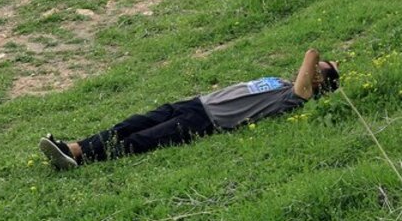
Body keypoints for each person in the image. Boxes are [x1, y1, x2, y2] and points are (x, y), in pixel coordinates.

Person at [39, 48, 340, 170]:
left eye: (318, 70)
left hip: (207, 121)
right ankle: (72, 149)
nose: (311, 68)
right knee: (131, 124)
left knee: (142, 140)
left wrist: (324, 64)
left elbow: (310, 54)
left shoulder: (296, 97)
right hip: (198, 103)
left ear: (316, 79)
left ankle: (82, 161)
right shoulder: (284, 84)